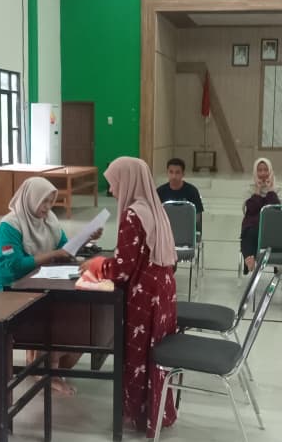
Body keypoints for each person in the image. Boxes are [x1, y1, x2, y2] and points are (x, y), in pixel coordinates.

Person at [80, 157, 178, 437]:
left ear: (128, 182)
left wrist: (95, 266)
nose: (111, 191)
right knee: (154, 354)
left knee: (139, 355)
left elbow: (123, 269)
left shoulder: (134, 214)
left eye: (114, 184)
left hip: (144, 294)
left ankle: (138, 414)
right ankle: (156, 412)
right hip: (163, 290)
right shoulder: (154, 208)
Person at [0, 177, 101, 394]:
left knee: (72, 311)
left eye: (51, 201)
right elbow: (11, 266)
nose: (48, 207)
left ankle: (44, 365)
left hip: (38, 283)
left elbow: (64, 248)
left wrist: (86, 240)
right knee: (57, 316)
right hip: (9, 289)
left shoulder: (49, 220)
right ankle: (47, 371)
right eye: (43, 201)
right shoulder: (10, 225)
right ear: (31, 199)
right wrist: (51, 255)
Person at [240, 157, 282, 274]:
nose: (263, 174)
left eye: (265, 170)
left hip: (273, 227)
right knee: (250, 232)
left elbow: (276, 209)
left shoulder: (278, 190)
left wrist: (270, 190)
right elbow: (251, 209)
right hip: (253, 226)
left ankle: (276, 263)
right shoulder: (249, 190)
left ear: (270, 172)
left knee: (274, 234)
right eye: (259, 170)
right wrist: (257, 190)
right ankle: (249, 259)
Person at [156, 158, 204, 232]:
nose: (174, 176)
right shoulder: (160, 192)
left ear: (183, 174)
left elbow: (197, 216)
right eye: (171, 172)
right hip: (165, 230)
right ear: (167, 173)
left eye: (177, 172)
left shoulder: (192, 191)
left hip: (186, 229)